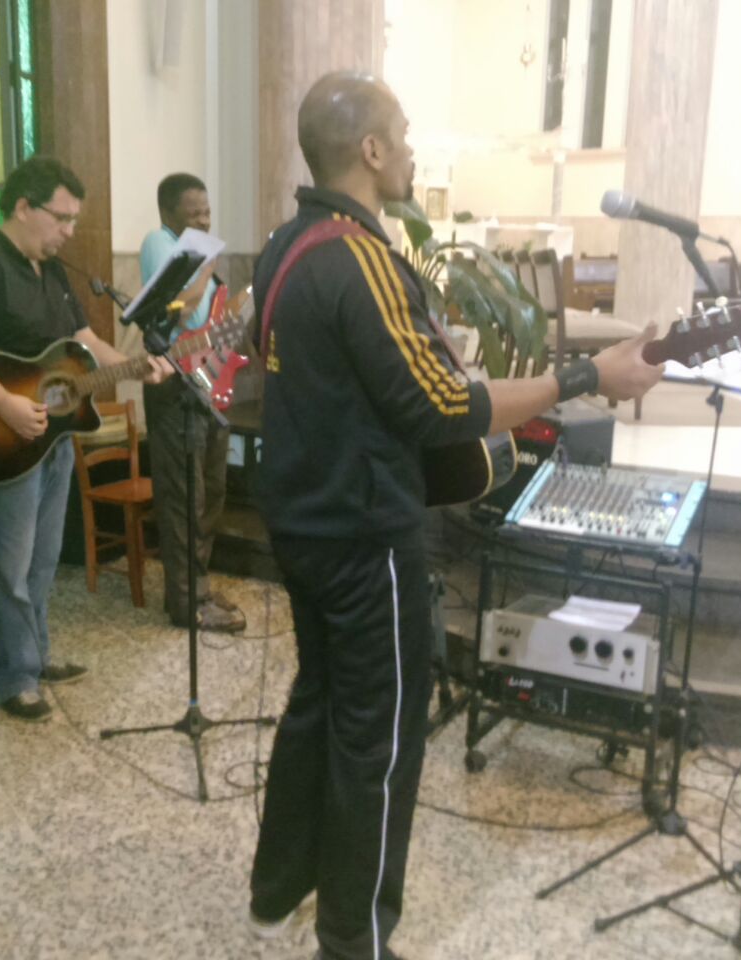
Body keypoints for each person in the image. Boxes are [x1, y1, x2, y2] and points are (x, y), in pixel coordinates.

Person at [246, 72, 663, 960]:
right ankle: (353, 941)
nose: (411, 149)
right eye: (401, 134)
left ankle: (278, 888)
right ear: (369, 150)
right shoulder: (361, 258)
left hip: (302, 522)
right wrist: (586, 376)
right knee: (381, 737)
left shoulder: (285, 245)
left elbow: (320, 374)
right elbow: (443, 406)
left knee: (320, 702)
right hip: (365, 540)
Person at [0, 156, 169, 723]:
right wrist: (4, 403)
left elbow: (84, 340)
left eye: (74, 220)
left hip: (51, 438)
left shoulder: (51, 273)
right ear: (23, 207)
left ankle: (35, 656)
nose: (69, 231)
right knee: (8, 566)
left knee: (42, 559)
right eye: (62, 218)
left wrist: (136, 366)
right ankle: (16, 678)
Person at [127, 173, 245, 633]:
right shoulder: (160, 243)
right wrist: (207, 262)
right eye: (194, 213)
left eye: (207, 212)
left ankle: (196, 588)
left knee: (211, 492)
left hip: (205, 386)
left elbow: (213, 325)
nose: (204, 220)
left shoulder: (198, 256)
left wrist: (242, 315)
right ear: (168, 213)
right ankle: (187, 603)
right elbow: (186, 312)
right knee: (183, 500)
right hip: (173, 386)